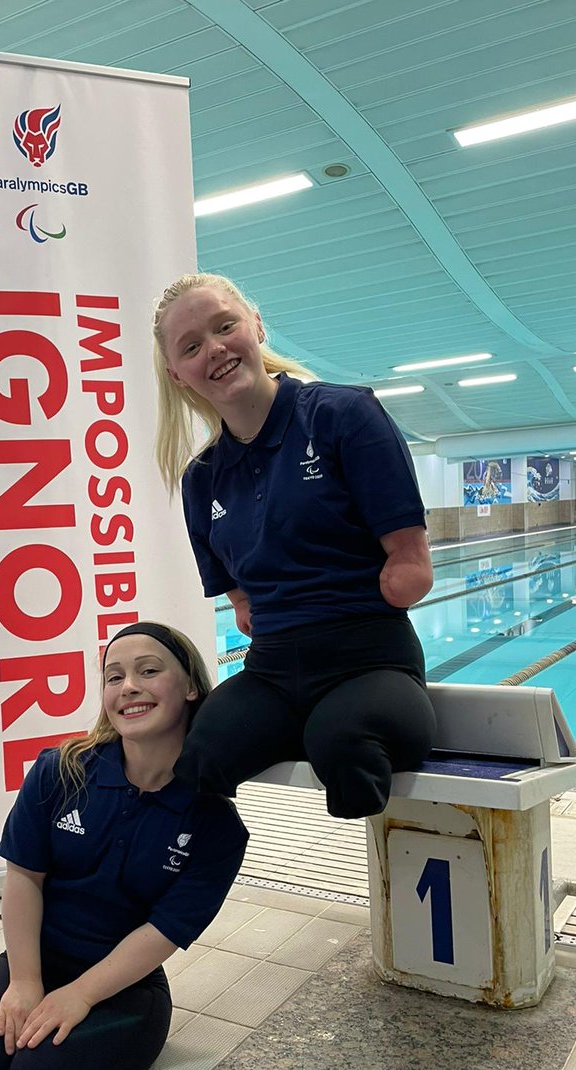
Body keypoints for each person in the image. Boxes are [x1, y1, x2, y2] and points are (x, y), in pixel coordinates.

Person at [0, 621, 248, 1070]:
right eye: (114, 676)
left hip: (124, 993)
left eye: (148, 671)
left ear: (190, 686)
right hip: (37, 962)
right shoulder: (61, 770)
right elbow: (23, 877)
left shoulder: (214, 822)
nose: (128, 686)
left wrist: (80, 994)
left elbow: (163, 931)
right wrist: (26, 980)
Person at [152, 272, 436, 820]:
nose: (214, 349)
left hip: (371, 661)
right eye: (191, 347)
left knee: (345, 747)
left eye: (225, 327)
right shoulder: (202, 478)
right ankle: (187, 875)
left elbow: (410, 568)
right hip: (273, 671)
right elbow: (242, 607)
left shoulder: (342, 415)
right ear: (176, 374)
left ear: (256, 326)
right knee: (199, 756)